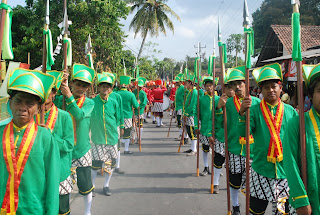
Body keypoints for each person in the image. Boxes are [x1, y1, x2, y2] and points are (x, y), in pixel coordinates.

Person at [239, 63, 298, 215]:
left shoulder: (291, 112)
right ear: (261, 90)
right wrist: (242, 113)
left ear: (280, 88)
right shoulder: (254, 110)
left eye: (274, 86)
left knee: (283, 213)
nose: (271, 90)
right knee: (255, 211)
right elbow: (244, 135)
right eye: (266, 87)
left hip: (285, 172)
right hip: (261, 170)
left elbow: (298, 140)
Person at [0, 68, 59, 214]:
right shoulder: (0, 133)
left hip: (33, 210)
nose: (23, 108)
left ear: (39, 108)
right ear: (10, 103)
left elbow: (52, 181)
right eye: (18, 101)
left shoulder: (46, 138)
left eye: (29, 104)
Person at [55, 63, 95, 215]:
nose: (80, 88)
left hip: (81, 149)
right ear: (71, 83)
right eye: (78, 84)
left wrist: (69, 96)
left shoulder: (89, 102)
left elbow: (78, 116)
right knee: (62, 186)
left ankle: (87, 211)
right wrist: (60, 82)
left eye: (84, 86)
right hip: (63, 149)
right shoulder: (60, 100)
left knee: (85, 184)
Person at [35, 71, 74, 215]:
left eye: (48, 92)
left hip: (60, 173)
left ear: (54, 94)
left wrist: (50, 135)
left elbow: (69, 145)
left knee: (62, 211)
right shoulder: (31, 116)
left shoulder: (64, 117)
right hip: (37, 174)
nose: (44, 95)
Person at [283, 63, 320, 215]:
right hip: (310, 202)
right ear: (310, 95)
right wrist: (301, 200)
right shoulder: (297, 124)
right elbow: (290, 163)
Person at [224, 65, 260, 215]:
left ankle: (249, 207)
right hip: (234, 148)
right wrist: (241, 112)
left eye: (240, 83)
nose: (237, 87)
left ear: (246, 84)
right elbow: (233, 126)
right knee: (234, 180)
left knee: (252, 183)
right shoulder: (230, 104)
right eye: (234, 84)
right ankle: (236, 205)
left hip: (253, 151)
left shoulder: (257, 103)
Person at [195, 76, 227, 194]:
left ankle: (216, 168)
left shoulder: (219, 99)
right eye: (207, 85)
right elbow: (196, 113)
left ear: (214, 86)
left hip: (216, 130)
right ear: (204, 86)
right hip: (204, 129)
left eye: (211, 85)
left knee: (217, 152)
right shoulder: (201, 99)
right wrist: (196, 126)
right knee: (205, 148)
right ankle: (206, 166)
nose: (209, 87)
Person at [90, 74, 121, 197]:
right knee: (95, 164)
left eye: (108, 87)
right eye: (103, 86)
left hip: (112, 137)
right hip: (97, 138)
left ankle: (106, 185)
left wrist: (120, 129)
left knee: (111, 164)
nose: (105, 89)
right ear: (99, 87)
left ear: (111, 89)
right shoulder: (92, 102)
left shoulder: (113, 102)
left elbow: (118, 118)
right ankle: (92, 186)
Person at [103, 72, 125, 174]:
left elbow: (120, 113)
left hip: (114, 126)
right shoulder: (98, 97)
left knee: (117, 147)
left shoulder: (117, 96)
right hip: (101, 127)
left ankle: (117, 166)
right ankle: (103, 166)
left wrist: (121, 126)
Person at [117, 76, 139, 154]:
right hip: (127, 116)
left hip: (117, 116)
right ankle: (126, 149)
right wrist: (138, 102)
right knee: (127, 133)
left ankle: (117, 150)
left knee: (117, 134)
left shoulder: (115, 93)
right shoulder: (130, 94)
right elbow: (136, 106)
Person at [183, 74, 198, 156]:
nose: (185, 85)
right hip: (188, 114)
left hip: (191, 114)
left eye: (187, 83)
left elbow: (192, 105)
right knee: (189, 131)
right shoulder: (190, 91)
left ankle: (194, 149)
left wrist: (186, 113)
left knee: (192, 131)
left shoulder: (194, 92)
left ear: (190, 83)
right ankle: (192, 148)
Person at [133, 77, 148, 144]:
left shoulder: (143, 93)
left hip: (140, 111)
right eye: (139, 86)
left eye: (141, 87)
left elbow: (144, 102)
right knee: (133, 124)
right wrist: (135, 105)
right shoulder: (133, 92)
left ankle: (139, 138)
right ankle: (132, 138)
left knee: (140, 124)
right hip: (133, 111)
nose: (140, 88)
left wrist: (139, 106)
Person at [174, 74, 186, 142]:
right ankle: (181, 134)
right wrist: (173, 103)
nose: (176, 83)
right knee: (179, 121)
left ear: (181, 82)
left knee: (180, 121)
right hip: (177, 106)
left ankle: (182, 135)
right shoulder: (178, 88)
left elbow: (184, 97)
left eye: (177, 82)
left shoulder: (183, 88)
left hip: (181, 107)